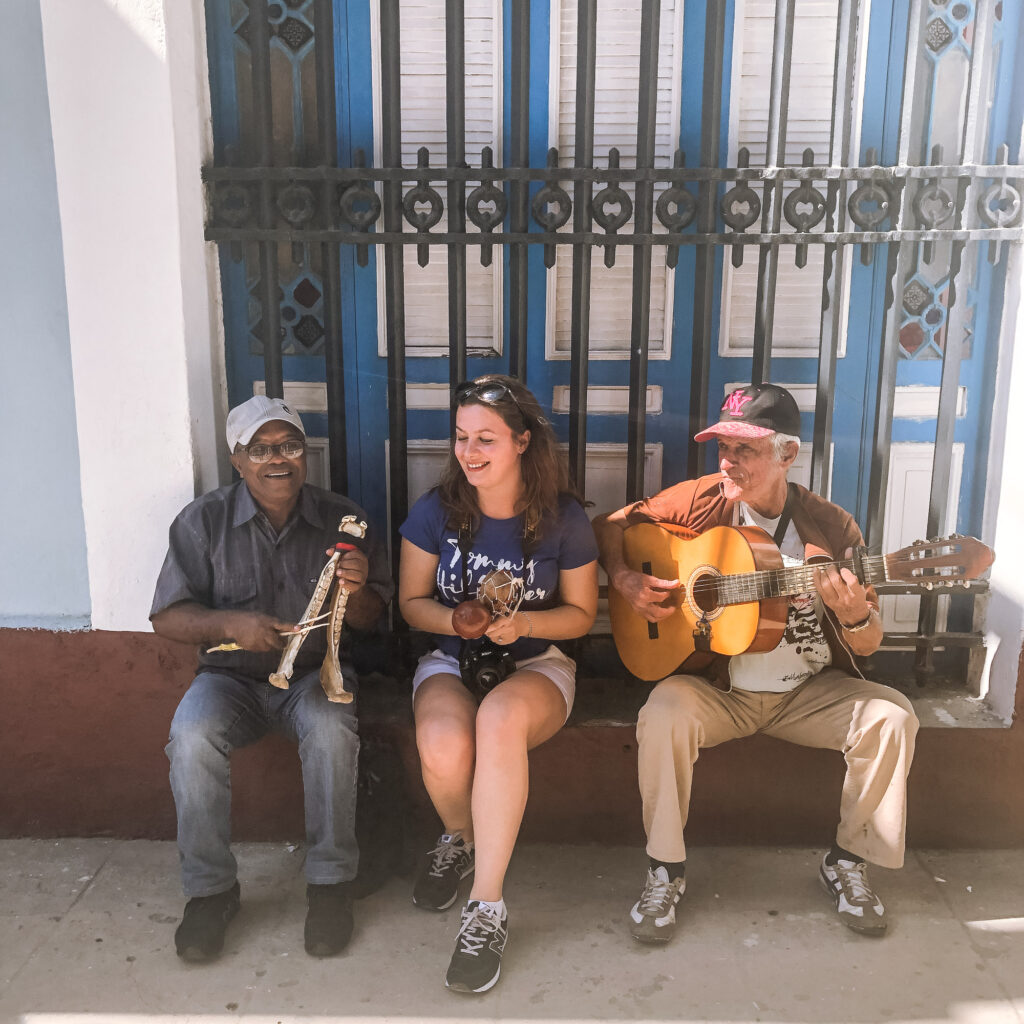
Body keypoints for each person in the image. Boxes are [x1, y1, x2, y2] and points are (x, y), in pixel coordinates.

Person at [592, 383, 918, 944]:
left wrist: (855, 614)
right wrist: (624, 579)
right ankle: (664, 869)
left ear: (787, 455)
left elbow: (866, 646)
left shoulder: (833, 529)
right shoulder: (702, 497)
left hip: (806, 693)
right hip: (720, 690)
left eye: (745, 448)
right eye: (723, 445)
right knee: (663, 712)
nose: (728, 460)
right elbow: (612, 526)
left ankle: (847, 860)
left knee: (892, 718)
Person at [150, 395, 392, 963]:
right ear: (237, 460)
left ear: (304, 455)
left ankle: (331, 886)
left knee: (333, 729)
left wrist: (355, 593)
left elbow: (373, 618)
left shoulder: (342, 517)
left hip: (313, 676)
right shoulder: (202, 521)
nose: (276, 459)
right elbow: (166, 617)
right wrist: (230, 623)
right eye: (260, 449)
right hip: (228, 680)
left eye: (288, 446)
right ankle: (211, 892)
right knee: (190, 736)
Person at [398, 375, 598, 993]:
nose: (469, 451)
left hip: (537, 664)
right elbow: (410, 602)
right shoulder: (436, 510)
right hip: (452, 658)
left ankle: (486, 907)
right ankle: (460, 838)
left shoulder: (562, 519)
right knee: (441, 744)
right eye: (460, 438)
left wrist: (527, 625)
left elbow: (583, 615)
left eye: (485, 438)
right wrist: (453, 618)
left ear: (521, 442)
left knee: (498, 722)